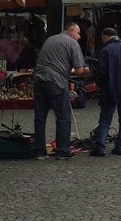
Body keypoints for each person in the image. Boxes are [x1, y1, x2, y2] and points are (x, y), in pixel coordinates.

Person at [33, 21, 89, 159]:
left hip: (39, 79)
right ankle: (62, 151)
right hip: (56, 81)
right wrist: (91, 69)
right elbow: (80, 70)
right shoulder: (72, 43)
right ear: (71, 31)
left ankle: (39, 151)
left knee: (40, 117)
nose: (79, 36)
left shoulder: (50, 39)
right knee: (63, 117)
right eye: (78, 33)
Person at [90, 28, 121, 157]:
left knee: (105, 118)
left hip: (110, 89)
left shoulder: (105, 51)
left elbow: (101, 73)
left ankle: (100, 148)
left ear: (105, 36)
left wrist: (100, 84)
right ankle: (120, 146)